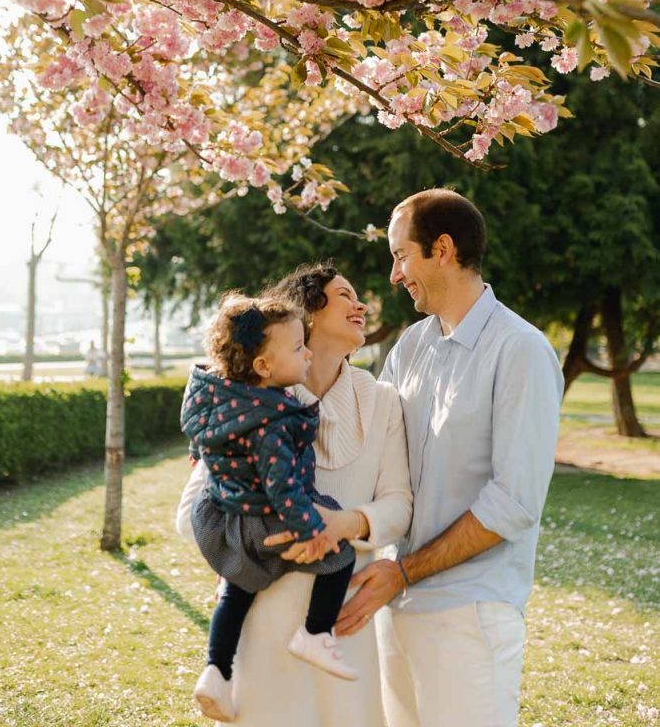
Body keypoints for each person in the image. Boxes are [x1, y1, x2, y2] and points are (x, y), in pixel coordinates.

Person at [336, 188, 564, 727]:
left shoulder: (521, 350)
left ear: (442, 249)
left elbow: (513, 503)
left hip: (469, 616)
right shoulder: (411, 347)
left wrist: (405, 572)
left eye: (400, 256)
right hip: (393, 606)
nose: (394, 275)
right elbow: (365, 447)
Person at [176, 263, 412, 727]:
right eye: (344, 295)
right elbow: (190, 517)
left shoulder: (384, 400)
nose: (361, 305)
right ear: (306, 315)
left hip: (341, 624)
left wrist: (343, 525)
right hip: (262, 618)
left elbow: (399, 505)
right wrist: (264, 534)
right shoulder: (244, 405)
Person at [181, 292, 358, 722]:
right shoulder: (270, 423)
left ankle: (216, 671)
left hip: (226, 517)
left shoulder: (223, 403)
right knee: (342, 556)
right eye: (297, 348)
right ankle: (316, 633)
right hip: (265, 519)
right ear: (263, 367)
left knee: (235, 592)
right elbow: (284, 489)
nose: (307, 353)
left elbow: (201, 444)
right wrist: (314, 531)